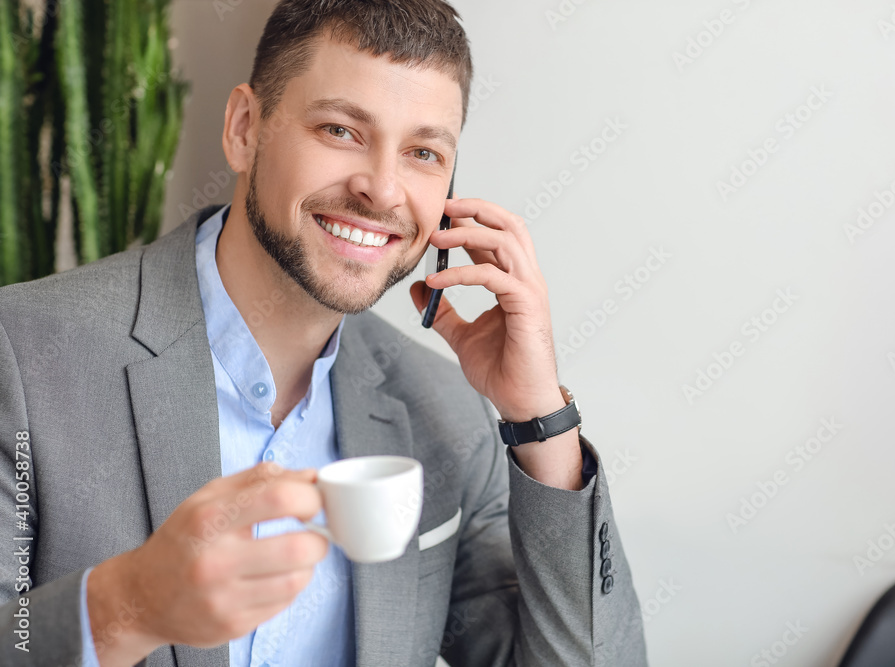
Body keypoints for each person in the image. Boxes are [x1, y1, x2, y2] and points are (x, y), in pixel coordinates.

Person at [0, 1, 646, 665]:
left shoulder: (445, 414)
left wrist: (541, 419)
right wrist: (122, 608)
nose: (382, 189)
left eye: (423, 152)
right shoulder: (20, 353)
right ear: (246, 129)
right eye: (341, 130)